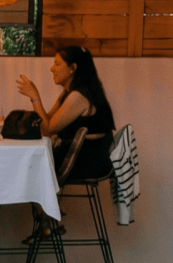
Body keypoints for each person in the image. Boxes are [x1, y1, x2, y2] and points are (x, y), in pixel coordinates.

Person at [16, 46, 115, 181]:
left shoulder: (78, 96)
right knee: (22, 162)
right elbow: (46, 122)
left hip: (87, 162)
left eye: (57, 64)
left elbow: (48, 128)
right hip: (77, 156)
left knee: (21, 164)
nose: (52, 68)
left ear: (73, 68)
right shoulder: (68, 93)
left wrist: (35, 98)